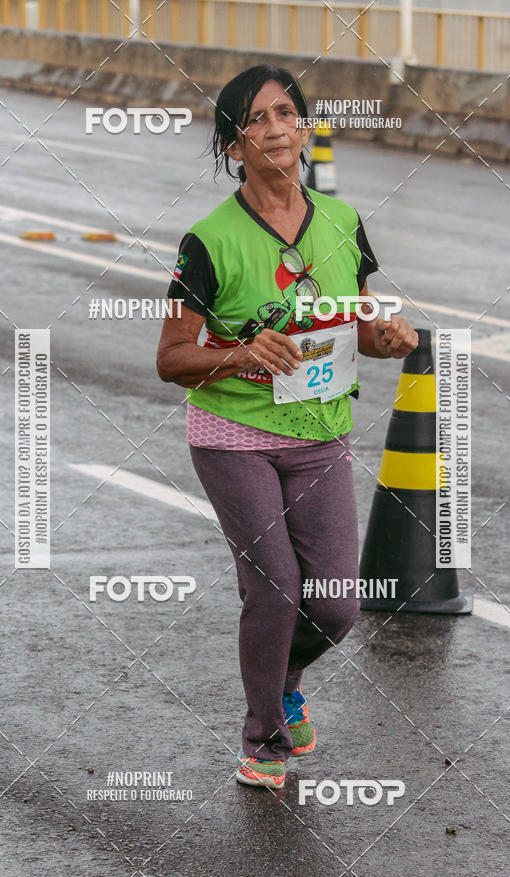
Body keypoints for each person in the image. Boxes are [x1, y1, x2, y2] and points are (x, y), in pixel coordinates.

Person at [156, 64, 418, 790]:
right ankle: (263, 737)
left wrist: (387, 338)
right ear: (233, 145)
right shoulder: (207, 241)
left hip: (320, 434)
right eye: (255, 119)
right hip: (233, 437)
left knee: (336, 606)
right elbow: (171, 358)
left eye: (285, 112)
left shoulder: (342, 222)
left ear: (303, 128)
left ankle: (283, 681)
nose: (274, 128)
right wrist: (243, 353)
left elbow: (357, 327)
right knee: (274, 589)